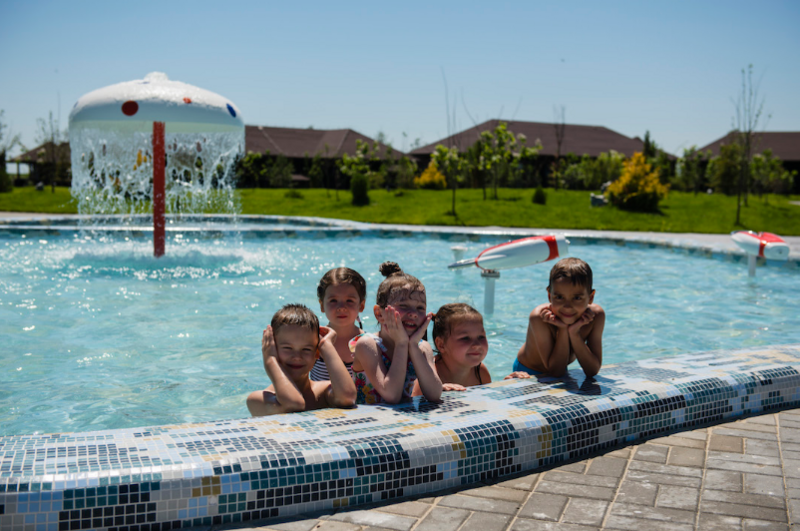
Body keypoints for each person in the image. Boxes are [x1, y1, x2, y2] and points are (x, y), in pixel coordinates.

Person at [350, 262, 442, 404]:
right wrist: (401, 344)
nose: (413, 313)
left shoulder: (422, 348)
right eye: (403, 306)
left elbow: (434, 395)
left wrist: (413, 346)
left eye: (420, 308)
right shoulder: (367, 345)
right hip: (366, 416)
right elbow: (391, 396)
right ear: (379, 314)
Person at [246, 304, 356, 416]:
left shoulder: (322, 392)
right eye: (287, 348)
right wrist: (270, 359)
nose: (297, 356)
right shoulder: (258, 400)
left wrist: (326, 345)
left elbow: (348, 397)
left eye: (306, 349)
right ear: (271, 347)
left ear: (317, 353)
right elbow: (293, 405)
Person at [515, 257, 605, 378]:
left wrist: (574, 333)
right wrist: (562, 330)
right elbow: (555, 372)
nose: (567, 306)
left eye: (577, 298)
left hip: (559, 365)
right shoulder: (539, 318)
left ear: (591, 297)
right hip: (528, 371)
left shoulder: (596, 316)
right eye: (559, 297)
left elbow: (592, 370)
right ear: (549, 295)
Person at [414, 303, 530, 394]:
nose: (477, 345)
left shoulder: (480, 372)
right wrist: (434, 394)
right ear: (441, 345)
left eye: (481, 337)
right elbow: (413, 407)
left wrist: (505, 386)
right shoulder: (429, 373)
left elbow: (486, 404)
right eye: (465, 338)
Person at [310, 267, 366, 381]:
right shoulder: (312, 341)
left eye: (349, 301)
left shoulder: (369, 344)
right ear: (322, 305)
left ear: (361, 306)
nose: (341, 307)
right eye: (333, 301)